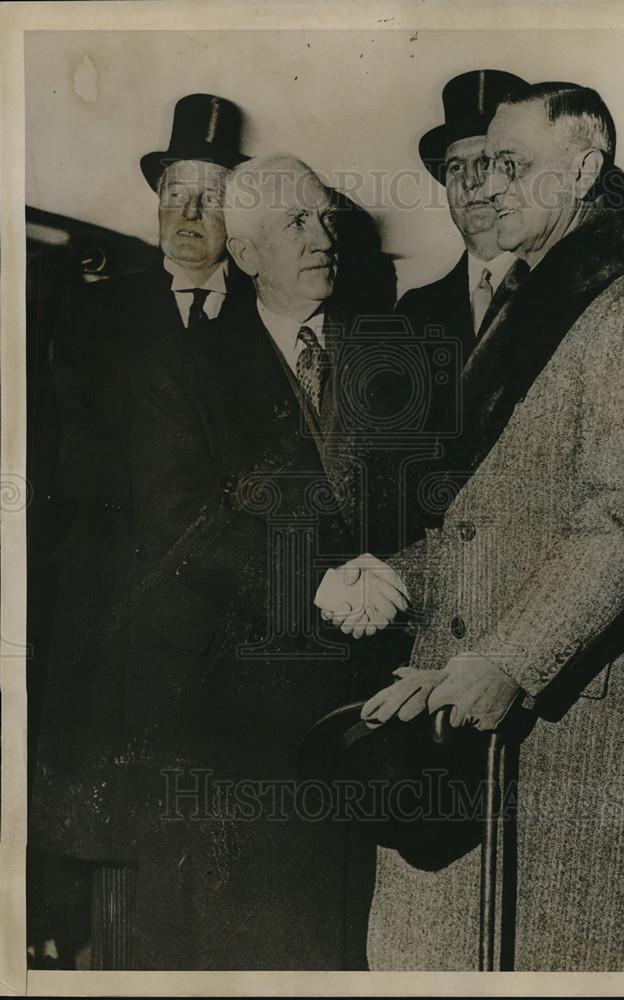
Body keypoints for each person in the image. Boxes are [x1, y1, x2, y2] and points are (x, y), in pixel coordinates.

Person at [318, 83, 624, 970]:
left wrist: (510, 658)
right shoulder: (530, 305)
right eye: (480, 163)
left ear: (584, 170)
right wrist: (391, 573)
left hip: (563, 732)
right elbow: (483, 520)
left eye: (513, 164)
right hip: (453, 712)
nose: (487, 184)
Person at [69, 154, 409, 969]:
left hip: (371, 727)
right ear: (247, 251)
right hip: (240, 737)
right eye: (297, 223)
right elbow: (184, 527)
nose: (323, 237)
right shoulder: (180, 371)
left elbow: (420, 505)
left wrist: (400, 574)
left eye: (327, 218)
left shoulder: (385, 360)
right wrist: (320, 582)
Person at [28, 92, 251, 965]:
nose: (187, 214)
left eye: (211, 195)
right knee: (107, 848)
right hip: (110, 621)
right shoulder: (91, 315)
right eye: (172, 193)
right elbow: (68, 473)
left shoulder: (263, 321)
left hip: (221, 630)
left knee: (210, 854)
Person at [396, 70, 530, 425]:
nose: (469, 182)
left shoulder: (561, 291)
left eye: (484, 164)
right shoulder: (413, 313)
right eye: (456, 168)